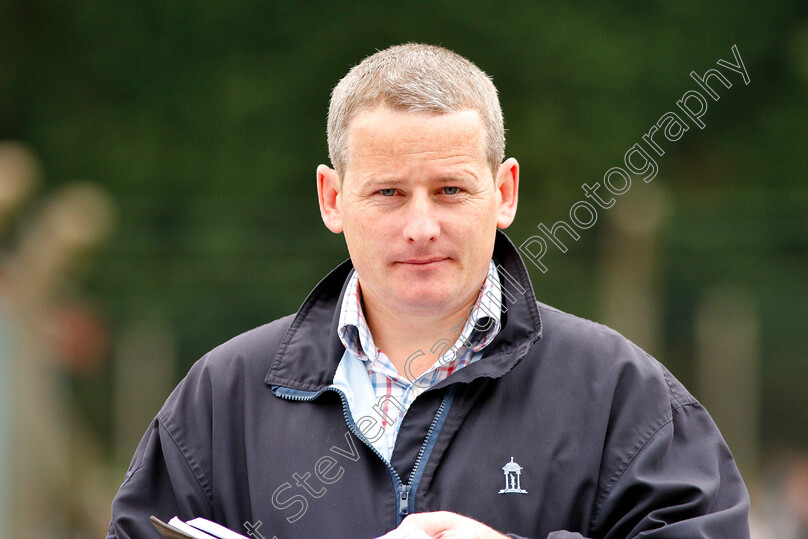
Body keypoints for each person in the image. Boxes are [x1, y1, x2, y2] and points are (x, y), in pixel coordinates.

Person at [107, 43, 750, 539]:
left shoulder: (622, 397)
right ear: (333, 198)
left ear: (504, 193)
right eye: (388, 192)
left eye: (450, 190)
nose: (421, 227)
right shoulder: (221, 399)